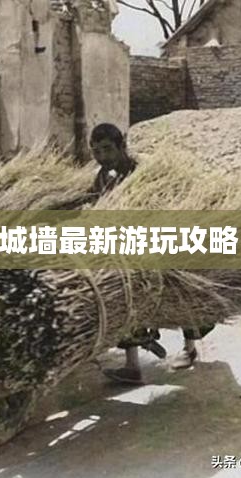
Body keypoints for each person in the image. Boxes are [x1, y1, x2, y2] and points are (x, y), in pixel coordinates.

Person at [89, 123, 215, 384]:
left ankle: (189, 349)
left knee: (180, 290)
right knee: (122, 293)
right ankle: (132, 365)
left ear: (122, 146)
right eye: (97, 151)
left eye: (107, 149)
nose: (102, 156)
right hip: (128, 246)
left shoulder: (146, 169)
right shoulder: (101, 177)